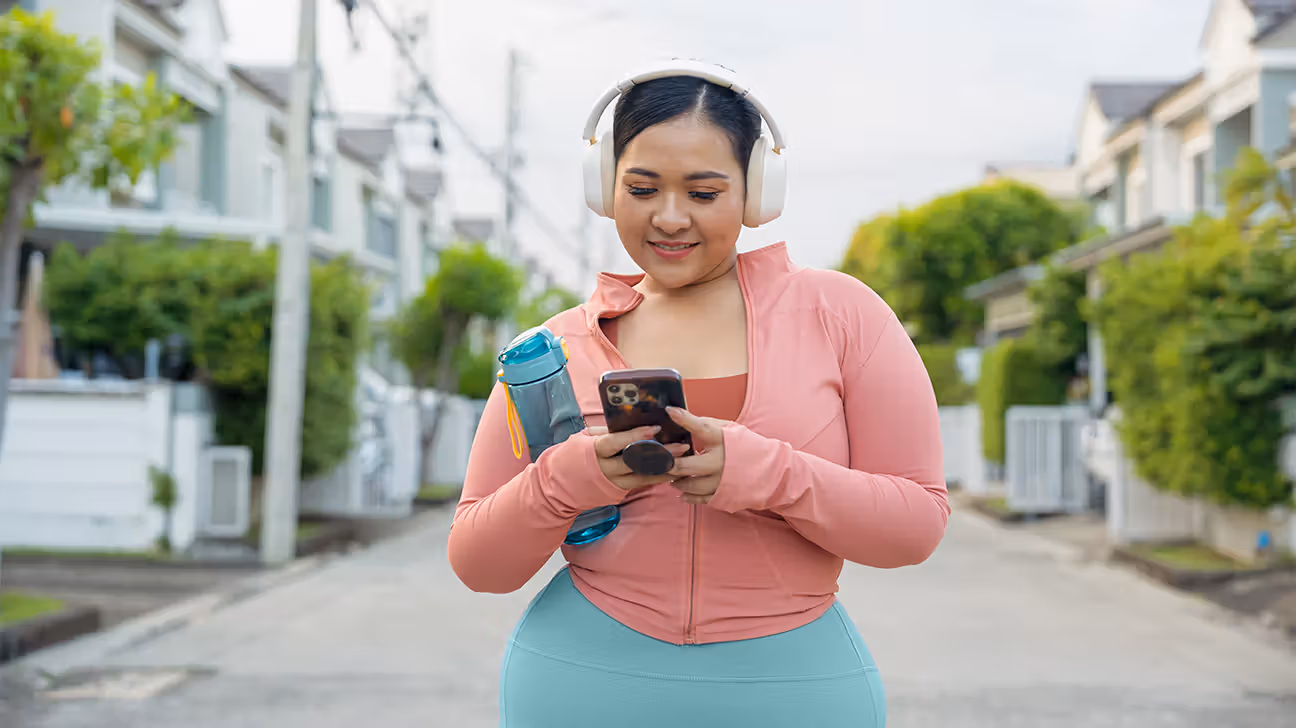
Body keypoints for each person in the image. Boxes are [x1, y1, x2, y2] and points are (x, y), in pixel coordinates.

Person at [448, 59, 949, 728]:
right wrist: (571, 477)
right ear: (605, 186)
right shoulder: (552, 350)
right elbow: (479, 562)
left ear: (757, 192)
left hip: (794, 690)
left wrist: (765, 474)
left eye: (705, 193)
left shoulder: (842, 316)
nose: (670, 217)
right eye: (643, 188)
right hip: (579, 685)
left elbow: (914, 526)